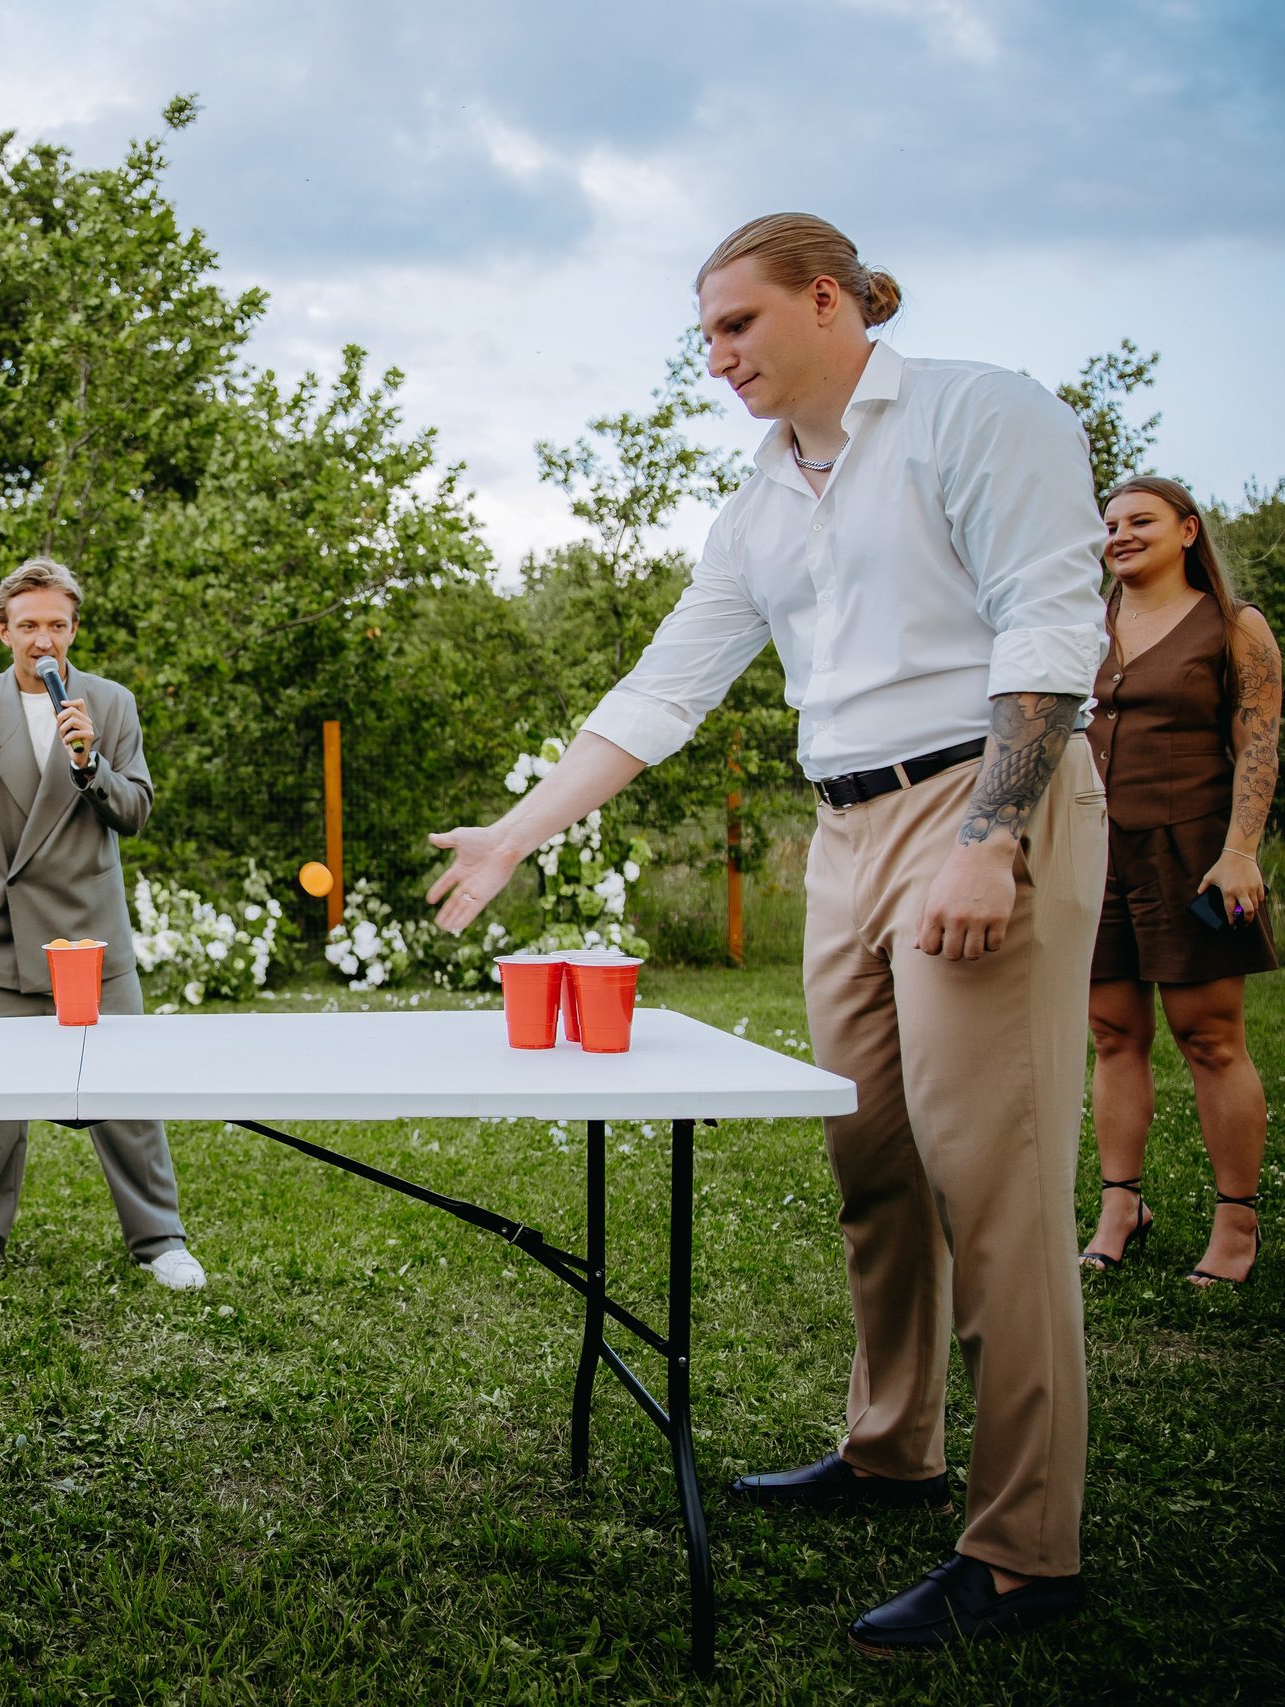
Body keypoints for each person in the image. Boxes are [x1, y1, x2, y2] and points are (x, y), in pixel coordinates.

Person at [424, 215, 1109, 1655]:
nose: (715, 354)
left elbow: (1052, 626)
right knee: (871, 1155)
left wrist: (993, 836)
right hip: (846, 829)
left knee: (994, 1178)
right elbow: (663, 686)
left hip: (980, 800)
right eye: (704, 335)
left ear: (826, 299)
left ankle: (1028, 1549)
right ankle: (890, 1446)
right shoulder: (760, 498)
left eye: (735, 325)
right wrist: (514, 830)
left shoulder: (980, 411)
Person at [0, 557, 202, 1295]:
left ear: (73, 629)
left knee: (124, 1098)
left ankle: (160, 1239)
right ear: (2, 631)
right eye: (27, 626)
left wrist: (89, 762)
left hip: (89, 940)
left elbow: (136, 812)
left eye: (55, 624)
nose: (41, 639)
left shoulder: (109, 704)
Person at [1080, 476, 1276, 1286]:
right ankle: (1122, 1205)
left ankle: (1238, 1224)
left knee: (1211, 1038)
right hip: (1095, 854)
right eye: (1111, 525)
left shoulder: (1234, 627)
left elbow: (1260, 740)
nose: (1121, 534)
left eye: (1142, 521)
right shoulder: (1084, 624)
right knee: (1113, 1034)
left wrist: (1241, 850)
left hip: (1194, 851)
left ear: (1188, 530)